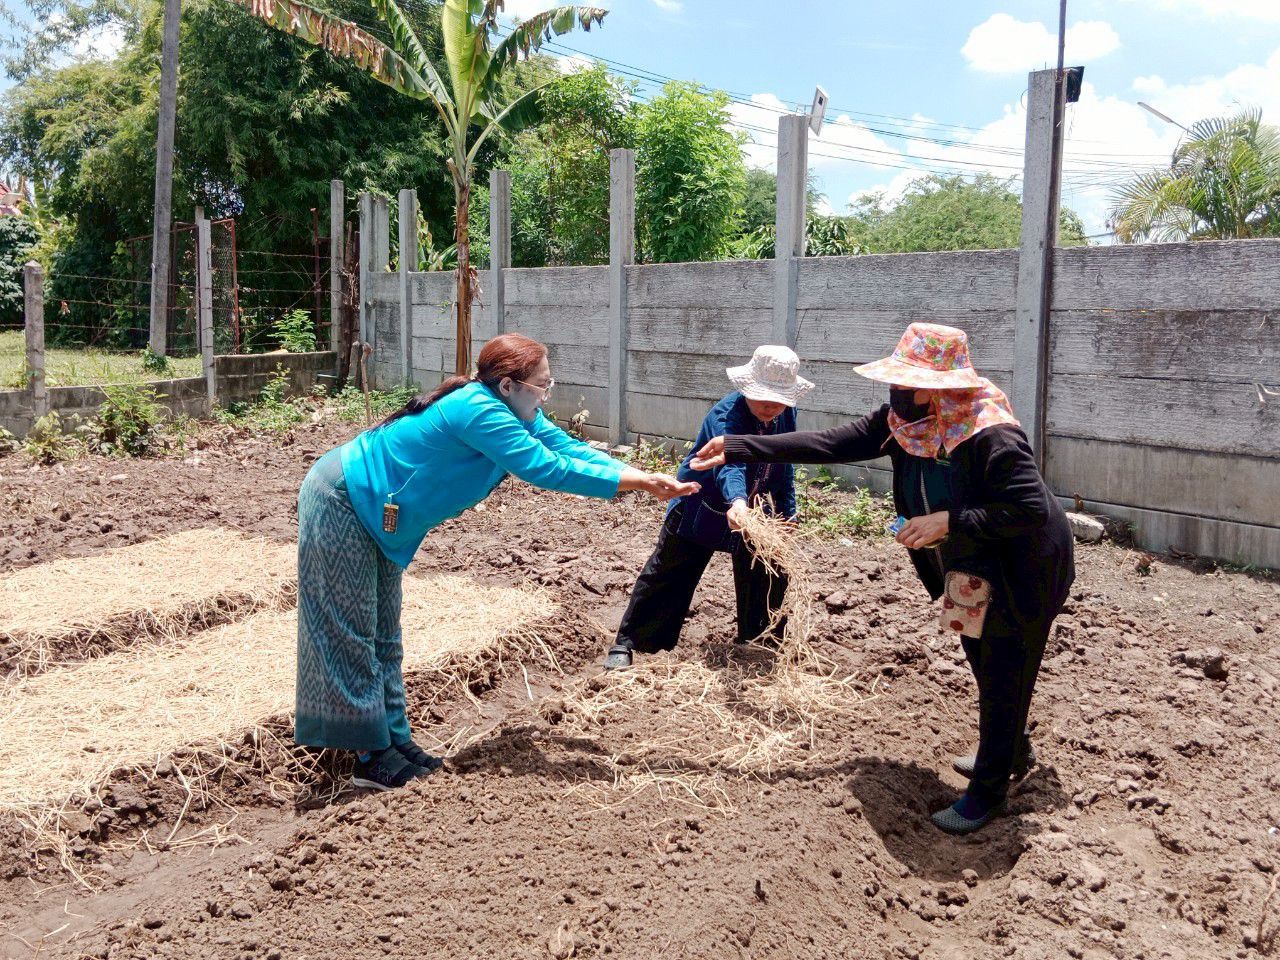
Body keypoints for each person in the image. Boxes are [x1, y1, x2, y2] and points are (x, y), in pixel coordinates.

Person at [691, 323, 1074, 835]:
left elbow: (1027, 508)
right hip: (966, 565)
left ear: (940, 388)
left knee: (1006, 665)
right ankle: (1008, 748)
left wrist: (948, 520)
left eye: (906, 383)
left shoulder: (989, 432)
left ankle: (986, 794)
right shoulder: (906, 421)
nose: (895, 393)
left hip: (1021, 569)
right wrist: (740, 446)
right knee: (982, 657)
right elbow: (833, 443)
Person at [295, 332, 700, 791]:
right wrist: (638, 486)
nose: (547, 394)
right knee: (353, 633)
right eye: (542, 385)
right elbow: (547, 468)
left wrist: (639, 475)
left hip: (381, 514)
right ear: (508, 385)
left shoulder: (515, 410)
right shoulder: (479, 409)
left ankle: (394, 741)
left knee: (384, 634)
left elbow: (567, 449)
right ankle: (370, 757)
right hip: (344, 500)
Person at [602, 345, 814, 671]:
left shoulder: (784, 413)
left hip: (754, 512)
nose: (773, 406)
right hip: (701, 501)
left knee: (767, 574)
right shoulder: (726, 415)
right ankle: (633, 643)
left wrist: (788, 512)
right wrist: (739, 503)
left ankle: (761, 645)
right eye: (765, 397)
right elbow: (730, 466)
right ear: (746, 388)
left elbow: (783, 462)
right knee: (669, 573)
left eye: (781, 398)